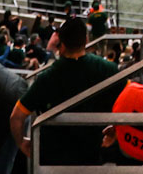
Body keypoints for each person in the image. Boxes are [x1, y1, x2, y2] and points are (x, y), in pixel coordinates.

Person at [12, 18, 119, 166]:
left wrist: (21, 143)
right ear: (86, 40)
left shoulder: (46, 78)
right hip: (92, 154)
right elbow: (130, 99)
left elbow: (16, 117)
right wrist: (116, 129)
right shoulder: (109, 69)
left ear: (61, 42)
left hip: (53, 158)